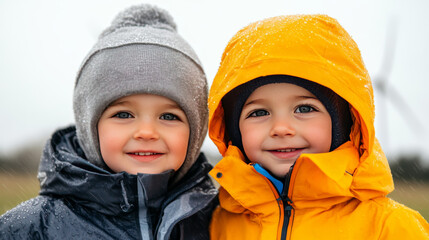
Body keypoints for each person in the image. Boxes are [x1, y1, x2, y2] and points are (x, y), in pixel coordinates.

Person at [0, 4, 217, 239]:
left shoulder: (220, 223)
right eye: (123, 115)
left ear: (196, 132)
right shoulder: (31, 229)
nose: (146, 132)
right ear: (90, 129)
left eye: (168, 116)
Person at [208, 14, 429, 239]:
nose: (281, 128)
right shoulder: (218, 225)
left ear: (344, 123)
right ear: (233, 131)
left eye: (304, 109)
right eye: (259, 112)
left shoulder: (389, 227)